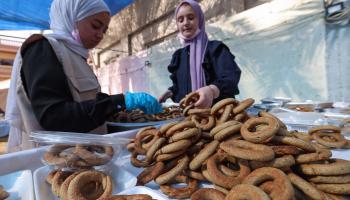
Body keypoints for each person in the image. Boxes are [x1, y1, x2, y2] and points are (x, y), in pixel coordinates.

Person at [5, 0, 162, 152]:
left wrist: (122, 113)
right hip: (56, 162)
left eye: (104, 30)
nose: (100, 35)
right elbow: (54, 117)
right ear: (72, 18)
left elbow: (87, 106)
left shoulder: (77, 57)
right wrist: (120, 101)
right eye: (95, 26)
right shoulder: (42, 49)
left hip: (88, 157)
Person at [158, 0, 241, 108]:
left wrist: (212, 90)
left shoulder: (215, 49)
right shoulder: (178, 56)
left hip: (220, 116)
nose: (185, 23)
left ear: (200, 19)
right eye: (180, 20)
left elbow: (230, 77)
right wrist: (170, 92)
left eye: (191, 17)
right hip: (189, 118)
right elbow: (180, 86)